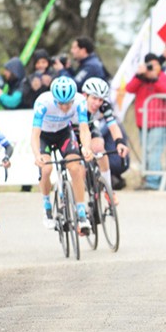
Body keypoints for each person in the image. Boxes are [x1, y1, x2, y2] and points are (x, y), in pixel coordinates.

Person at [31, 76, 93, 233]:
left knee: (75, 167)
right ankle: (47, 205)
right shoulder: (42, 103)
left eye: (68, 103)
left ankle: (81, 212)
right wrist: (37, 154)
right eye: (61, 103)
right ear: (54, 99)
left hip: (64, 133)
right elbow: (35, 134)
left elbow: (84, 129)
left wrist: (86, 147)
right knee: (46, 169)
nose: (65, 107)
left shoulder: (80, 101)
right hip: (44, 135)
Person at [125, 52, 166, 190]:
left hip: (159, 122)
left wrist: (154, 78)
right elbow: (129, 88)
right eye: (149, 65)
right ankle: (148, 179)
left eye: (155, 65)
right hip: (143, 122)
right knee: (146, 152)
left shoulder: (165, 77)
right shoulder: (141, 79)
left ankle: (154, 182)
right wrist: (138, 75)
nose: (152, 68)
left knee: (154, 152)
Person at [77, 77, 129, 199]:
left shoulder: (104, 105)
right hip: (73, 131)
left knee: (99, 148)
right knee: (78, 168)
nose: (97, 103)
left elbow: (113, 125)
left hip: (89, 129)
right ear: (85, 95)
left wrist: (119, 142)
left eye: (100, 100)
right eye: (94, 98)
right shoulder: (76, 104)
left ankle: (108, 188)